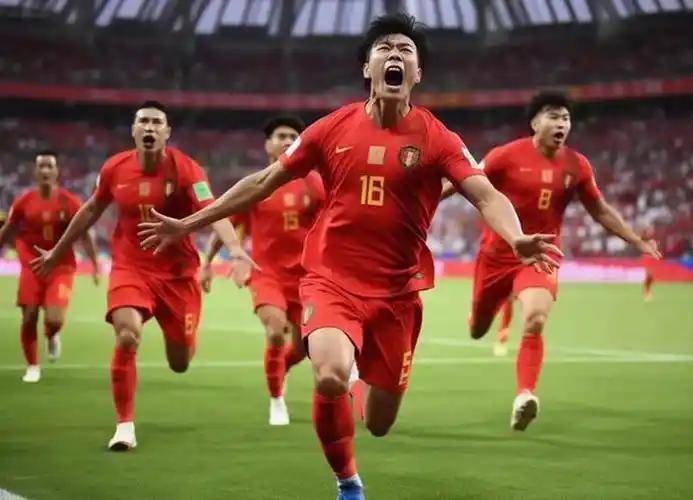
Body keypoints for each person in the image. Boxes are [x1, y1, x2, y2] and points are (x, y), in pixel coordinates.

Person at [137, 15, 559, 500]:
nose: (395, 54)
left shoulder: (438, 138)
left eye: (406, 50)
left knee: (379, 422)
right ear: (367, 67)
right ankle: (348, 482)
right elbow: (263, 181)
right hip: (331, 280)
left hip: (398, 295)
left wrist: (515, 236)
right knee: (331, 376)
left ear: (417, 73)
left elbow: (485, 194)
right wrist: (189, 223)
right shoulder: (330, 128)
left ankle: (363, 386)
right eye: (385, 48)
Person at [31, 102, 250, 451]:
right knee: (127, 335)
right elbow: (91, 209)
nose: (149, 127)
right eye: (143, 121)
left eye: (156, 122)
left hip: (177, 276)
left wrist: (235, 250)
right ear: (134, 130)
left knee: (180, 362)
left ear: (167, 132)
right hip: (130, 268)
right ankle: (124, 426)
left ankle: (182, 341)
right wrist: (57, 251)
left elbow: (213, 209)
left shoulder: (187, 170)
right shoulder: (115, 168)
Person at [443, 90, 662, 431]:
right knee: (477, 329)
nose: (561, 123)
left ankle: (524, 395)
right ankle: (480, 315)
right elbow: (462, 182)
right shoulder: (504, 156)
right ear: (535, 122)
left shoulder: (577, 166)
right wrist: (419, 204)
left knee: (535, 318)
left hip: (541, 255)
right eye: (553, 116)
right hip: (497, 255)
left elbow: (599, 209)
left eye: (566, 118)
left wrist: (634, 239)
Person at [201, 115, 325, 425]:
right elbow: (226, 223)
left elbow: (335, 221)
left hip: (307, 278)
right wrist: (206, 263)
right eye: (281, 136)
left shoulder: (315, 183)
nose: (287, 141)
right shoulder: (257, 185)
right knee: (274, 329)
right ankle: (277, 400)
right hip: (266, 274)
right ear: (267, 145)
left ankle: (281, 369)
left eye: (293, 137)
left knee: (304, 348)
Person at [0, 150, 99, 383]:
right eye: (41, 166)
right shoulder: (24, 201)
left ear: (57, 172)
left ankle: (51, 335)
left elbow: (85, 234)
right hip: (32, 266)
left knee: (54, 320)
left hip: (60, 266)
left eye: (49, 166)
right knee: (29, 316)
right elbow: (7, 230)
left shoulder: (69, 201)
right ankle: (32, 366)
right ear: (35, 172)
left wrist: (95, 264)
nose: (45, 170)